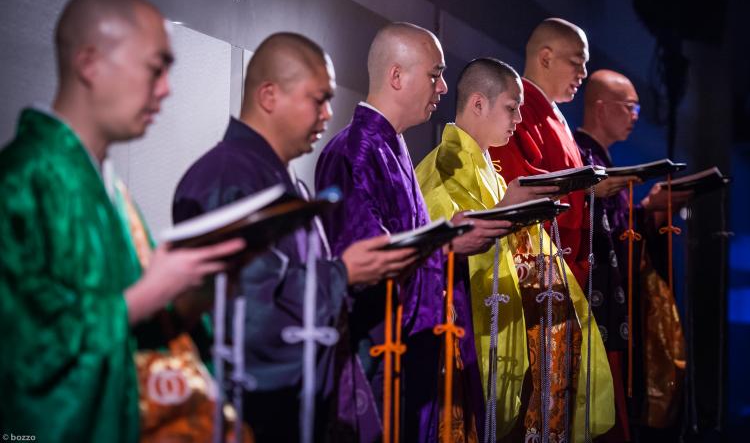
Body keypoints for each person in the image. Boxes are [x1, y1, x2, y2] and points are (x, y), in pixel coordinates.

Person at [0, 0, 244, 442]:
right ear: (89, 63)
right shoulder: (21, 180)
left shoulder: (102, 183)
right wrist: (147, 295)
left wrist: (192, 292)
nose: (167, 89)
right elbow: (22, 352)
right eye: (156, 69)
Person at [172, 32, 418, 443]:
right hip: (254, 418)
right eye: (317, 99)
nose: (327, 114)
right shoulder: (225, 178)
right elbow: (247, 315)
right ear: (269, 95)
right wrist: (343, 273)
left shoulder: (281, 181)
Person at [316, 23, 513, 442]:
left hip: (411, 348)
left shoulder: (394, 145)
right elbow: (366, 259)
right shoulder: (356, 150)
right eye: (435, 73)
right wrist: (449, 243)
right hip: (379, 354)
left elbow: (407, 238)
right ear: (397, 76)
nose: (443, 87)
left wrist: (446, 237)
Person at [416, 58, 615, 442]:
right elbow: (445, 251)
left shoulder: (491, 167)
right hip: (468, 337)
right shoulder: (443, 168)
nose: (519, 118)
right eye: (511, 108)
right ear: (478, 104)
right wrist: (509, 209)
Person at [575, 69, 691, 442]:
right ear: (601, 106)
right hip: (593, 300)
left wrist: (650, 211)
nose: (636, 115)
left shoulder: (605, 160)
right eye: (630, 106)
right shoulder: (580, 155)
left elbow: (619, 228)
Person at [489, 18, 601, 288]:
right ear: (546, 58)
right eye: (576, 62)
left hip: (565, 261)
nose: (584, 73)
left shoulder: (553, 114)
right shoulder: (520, 110)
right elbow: (519, 185)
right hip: (540, 268)